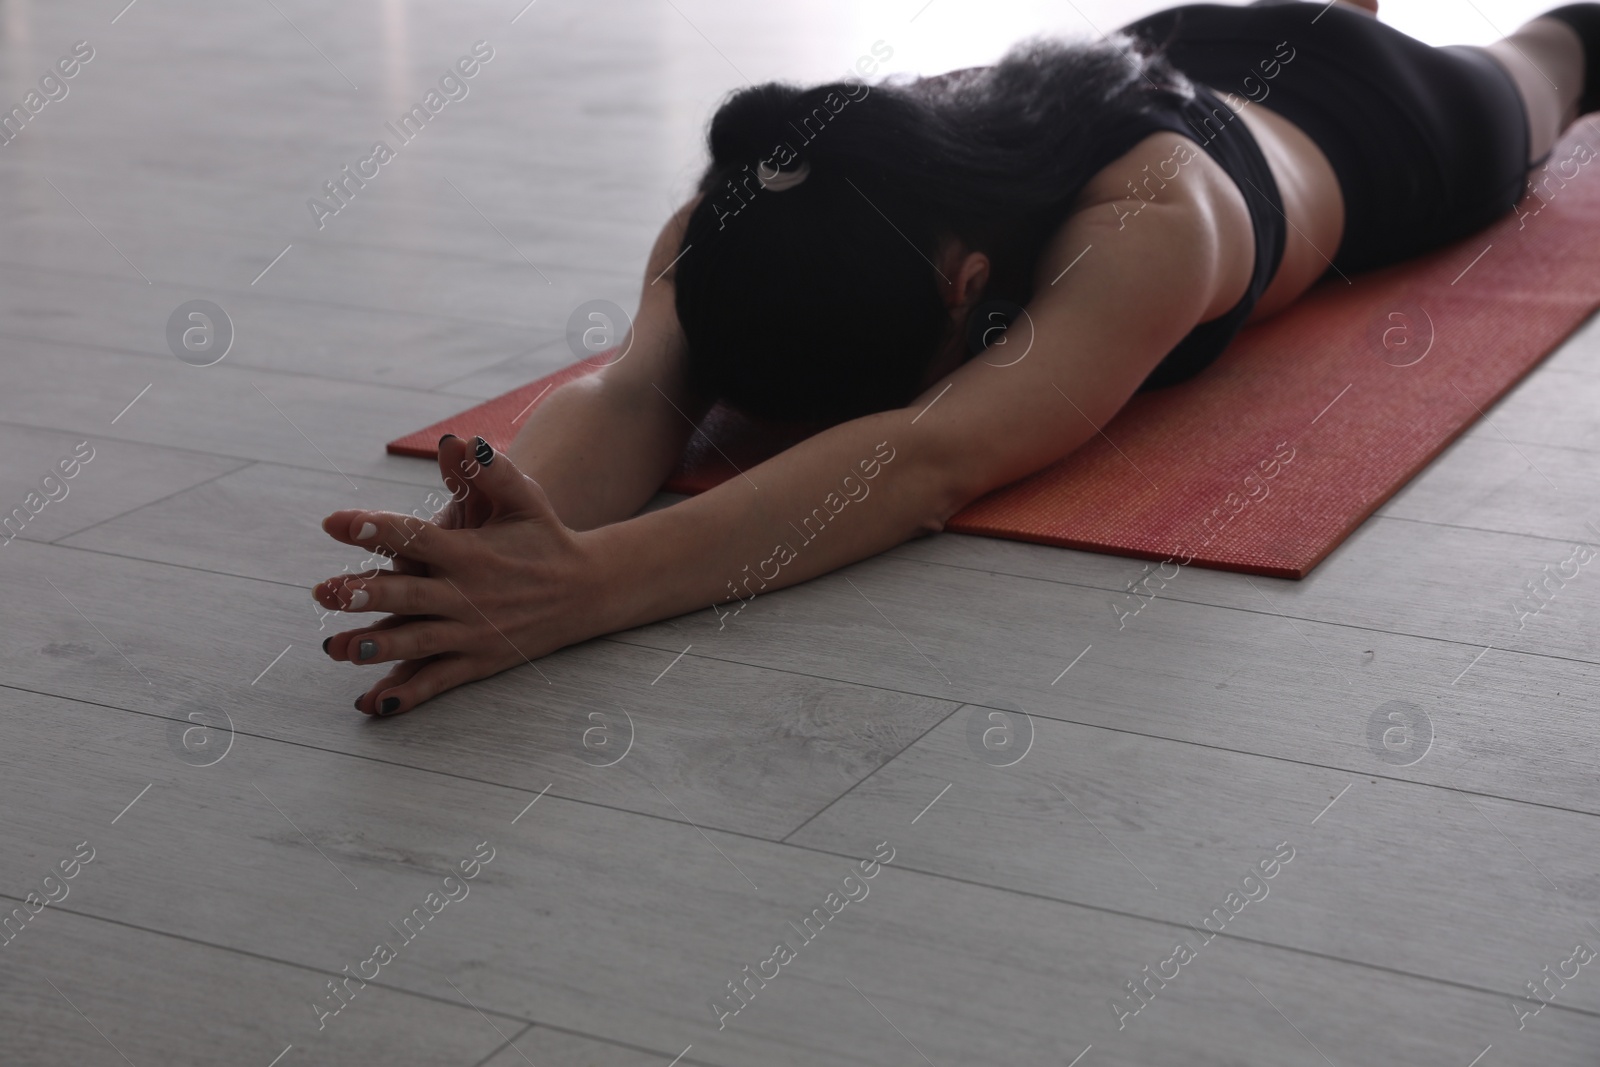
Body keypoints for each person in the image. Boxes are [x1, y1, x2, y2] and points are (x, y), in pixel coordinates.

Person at [315, 0, 1600, 716]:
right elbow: (643, 382)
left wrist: (582, 588)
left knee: (1557, 55)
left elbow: (924, 461)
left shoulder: (1146, 224)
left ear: (968, 288)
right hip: (1178, 39)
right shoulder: (745, 210)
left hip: (1379, 126)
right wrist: (483, 548)